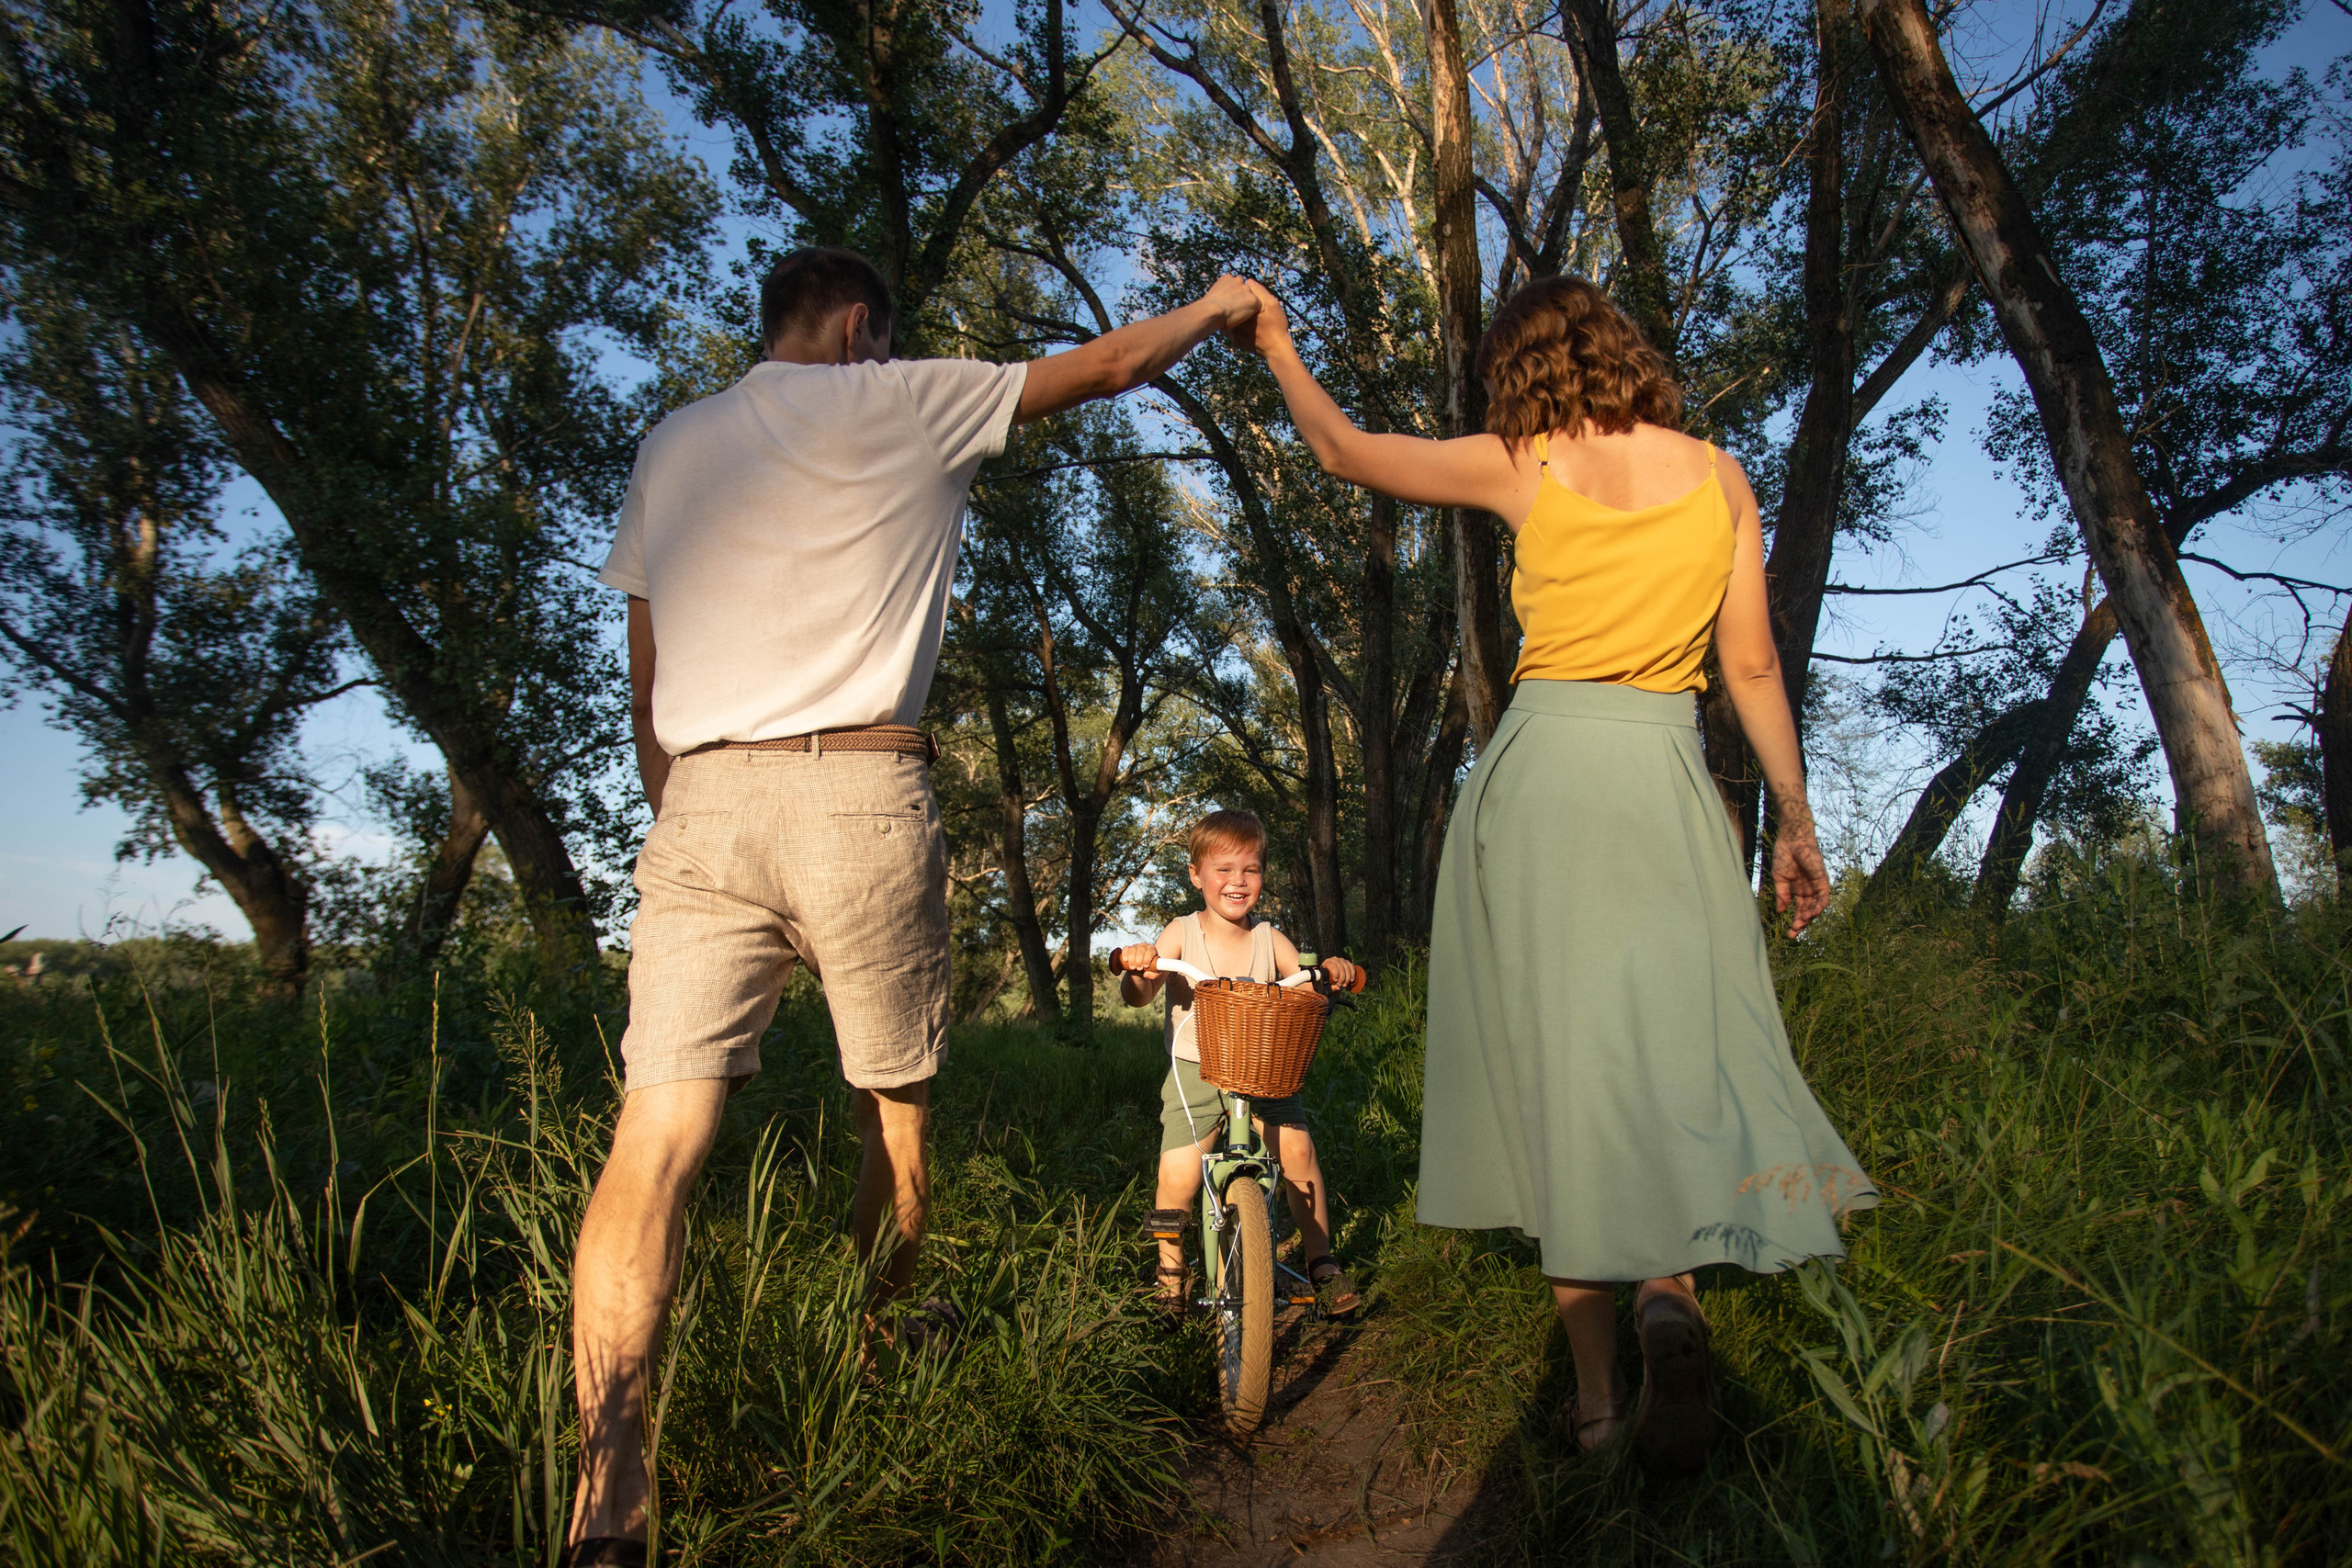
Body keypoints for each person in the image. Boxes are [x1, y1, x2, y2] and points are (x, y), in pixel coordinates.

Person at [565, 247, 1262, 1566]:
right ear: (856, 324)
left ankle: (609, 1490)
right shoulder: (897, 396)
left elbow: (645, 676)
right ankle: (873, 1347)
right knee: (890, 1110)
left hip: (701, 795)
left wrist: (685, 805)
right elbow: (1111, 365)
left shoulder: (674, 441)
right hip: (858, 787)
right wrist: (1219, 308)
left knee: (651, 1140)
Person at [1235, 275, 1874, 1477]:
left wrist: (1274, 337)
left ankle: (1592, 1402)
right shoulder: (1720, 475)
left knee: (1560, 1071)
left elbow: (1340, 450)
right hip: (1670, 782)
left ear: (1520, 366)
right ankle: (1667, 1294)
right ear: (1622, 350)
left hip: (1544, 779)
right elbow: (1749, 661)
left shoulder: (1527, 461)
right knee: (1655, 1056)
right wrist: (1795, 816)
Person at [1114, 808, 1362, 1319]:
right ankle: (1170, 1276)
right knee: (1178, 1174)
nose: (1236, 881)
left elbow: (1307, 979)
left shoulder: (1270, 939)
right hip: (1195, 1072)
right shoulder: (1182, 933)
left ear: (1262, 878)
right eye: (1222, 869)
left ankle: (1322, 1263)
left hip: (1265, 1068)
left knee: (1298, 1156)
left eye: (1249, 870)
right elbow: (1139, 996)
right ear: (1196, 874)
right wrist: (1141, 966)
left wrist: (1329, 972)